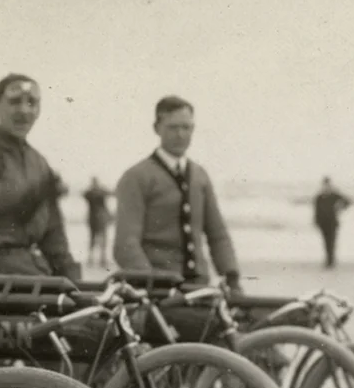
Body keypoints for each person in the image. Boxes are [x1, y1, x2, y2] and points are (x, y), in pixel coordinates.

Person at [0, 75, 81, 290]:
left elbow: (54, 235)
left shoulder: (39, 163)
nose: (24, 110)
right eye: (14, 102)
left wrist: (74, 282)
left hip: (32, 268)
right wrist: (39, 190)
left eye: (32, 102)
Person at [113, 97, 240, 290]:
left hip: (198, 286)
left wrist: (232, 278)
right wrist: (151, 284)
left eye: (186, 127)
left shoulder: (200, 176)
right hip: (157, 289)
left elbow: (218, 234)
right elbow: (125, 245)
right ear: (157, 128)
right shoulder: (136, 177)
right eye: (173, 127)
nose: (181, 135)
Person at [313, 177, 350, 270]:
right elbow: (316, 211)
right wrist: (316, 222)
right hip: (323, 223)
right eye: (325, 185)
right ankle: (328, 260)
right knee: (326, 242)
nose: (326, 186)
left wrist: (340, 208)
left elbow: (348, 201)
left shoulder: (335, 195)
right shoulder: (319, 197)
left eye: (328, 185)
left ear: (330, 185)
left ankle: (331, 261)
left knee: (332, 241)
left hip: (332, 222)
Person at [83, 177, 112, 268]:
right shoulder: (94, 193)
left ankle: (97, 259)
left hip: (96, 219)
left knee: (96, 239)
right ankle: (99, 259)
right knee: (99, 239)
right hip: (97, 218)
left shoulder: (92, 193)